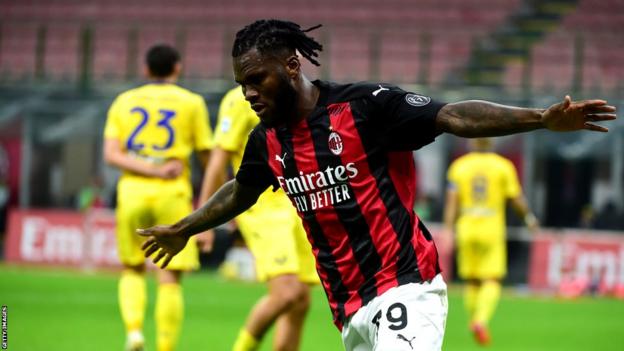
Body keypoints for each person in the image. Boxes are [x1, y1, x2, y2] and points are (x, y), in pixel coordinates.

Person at [137, 19, 616, 351]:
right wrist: (186, 227)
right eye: (242, 83)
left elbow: (450, 115)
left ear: (291, 66)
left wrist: (539, 119)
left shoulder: (366, 107)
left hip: (405, 286)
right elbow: (241, 190)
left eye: (256, 79)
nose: (248, 92)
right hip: (348, 305)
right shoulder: (265, 141)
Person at [103, 44, 212, 351]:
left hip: (132, 192)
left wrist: (147, 168)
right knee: (170, 276)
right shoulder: (191, 102)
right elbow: (207, 155)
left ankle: (135, 332)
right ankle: (165, 347)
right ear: (177, 67)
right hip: (172, 192)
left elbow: (111, 155)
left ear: (146, 69)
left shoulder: (124, 101)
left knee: (132, 268)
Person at [198, 86, 319, 351]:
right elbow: (219, 158)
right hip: (263, 207)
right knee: (286, 294)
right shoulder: (239, 99)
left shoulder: (295, 93)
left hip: (300, 203)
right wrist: (208, 218)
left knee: (300, 301)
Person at [441, 138, 539, 345]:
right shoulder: (503, 166)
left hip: (466, 226)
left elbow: (452, 201)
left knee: (472, 280)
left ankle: (473, 317)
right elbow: (516, 198)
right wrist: (529, 219)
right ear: (492, 143)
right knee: (492, 279)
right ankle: (480, 320)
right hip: (491, 227)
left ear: (472, 142)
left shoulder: (459, 166)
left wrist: (448, 230)